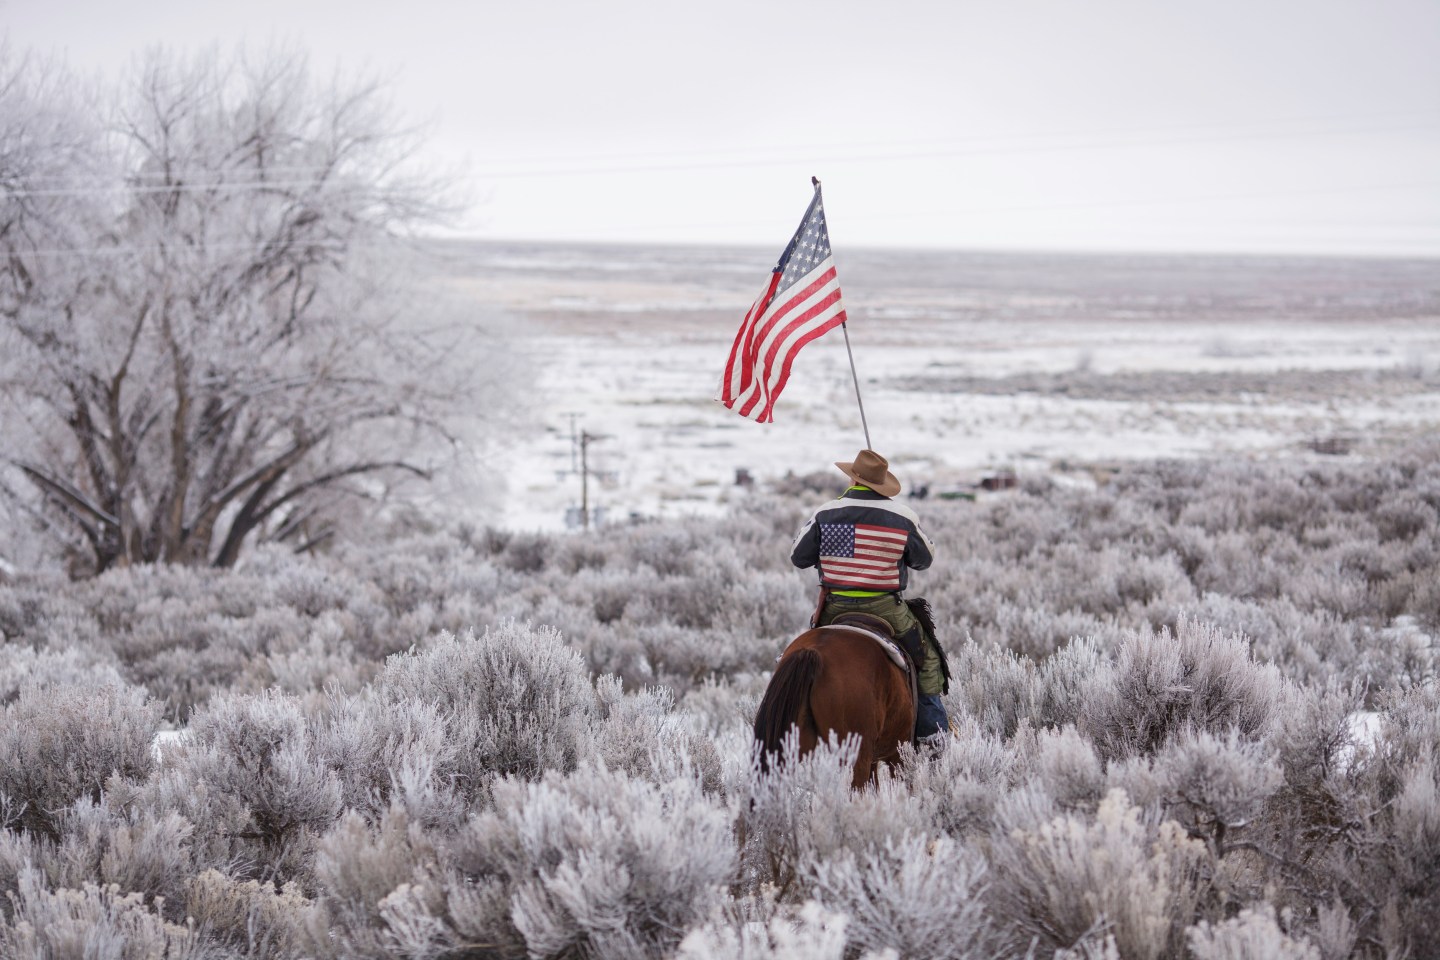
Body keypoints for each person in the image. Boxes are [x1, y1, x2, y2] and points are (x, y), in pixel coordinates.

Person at [790, 448, 951, 747]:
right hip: (885, 608)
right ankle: (932, 736)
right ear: (881, 483)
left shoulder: (825, 512)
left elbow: (798, 557)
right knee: (928, 659)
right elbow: (924, 559)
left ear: (853, 478)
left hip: (833, 608)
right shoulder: (902, 516)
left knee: (800, 657)